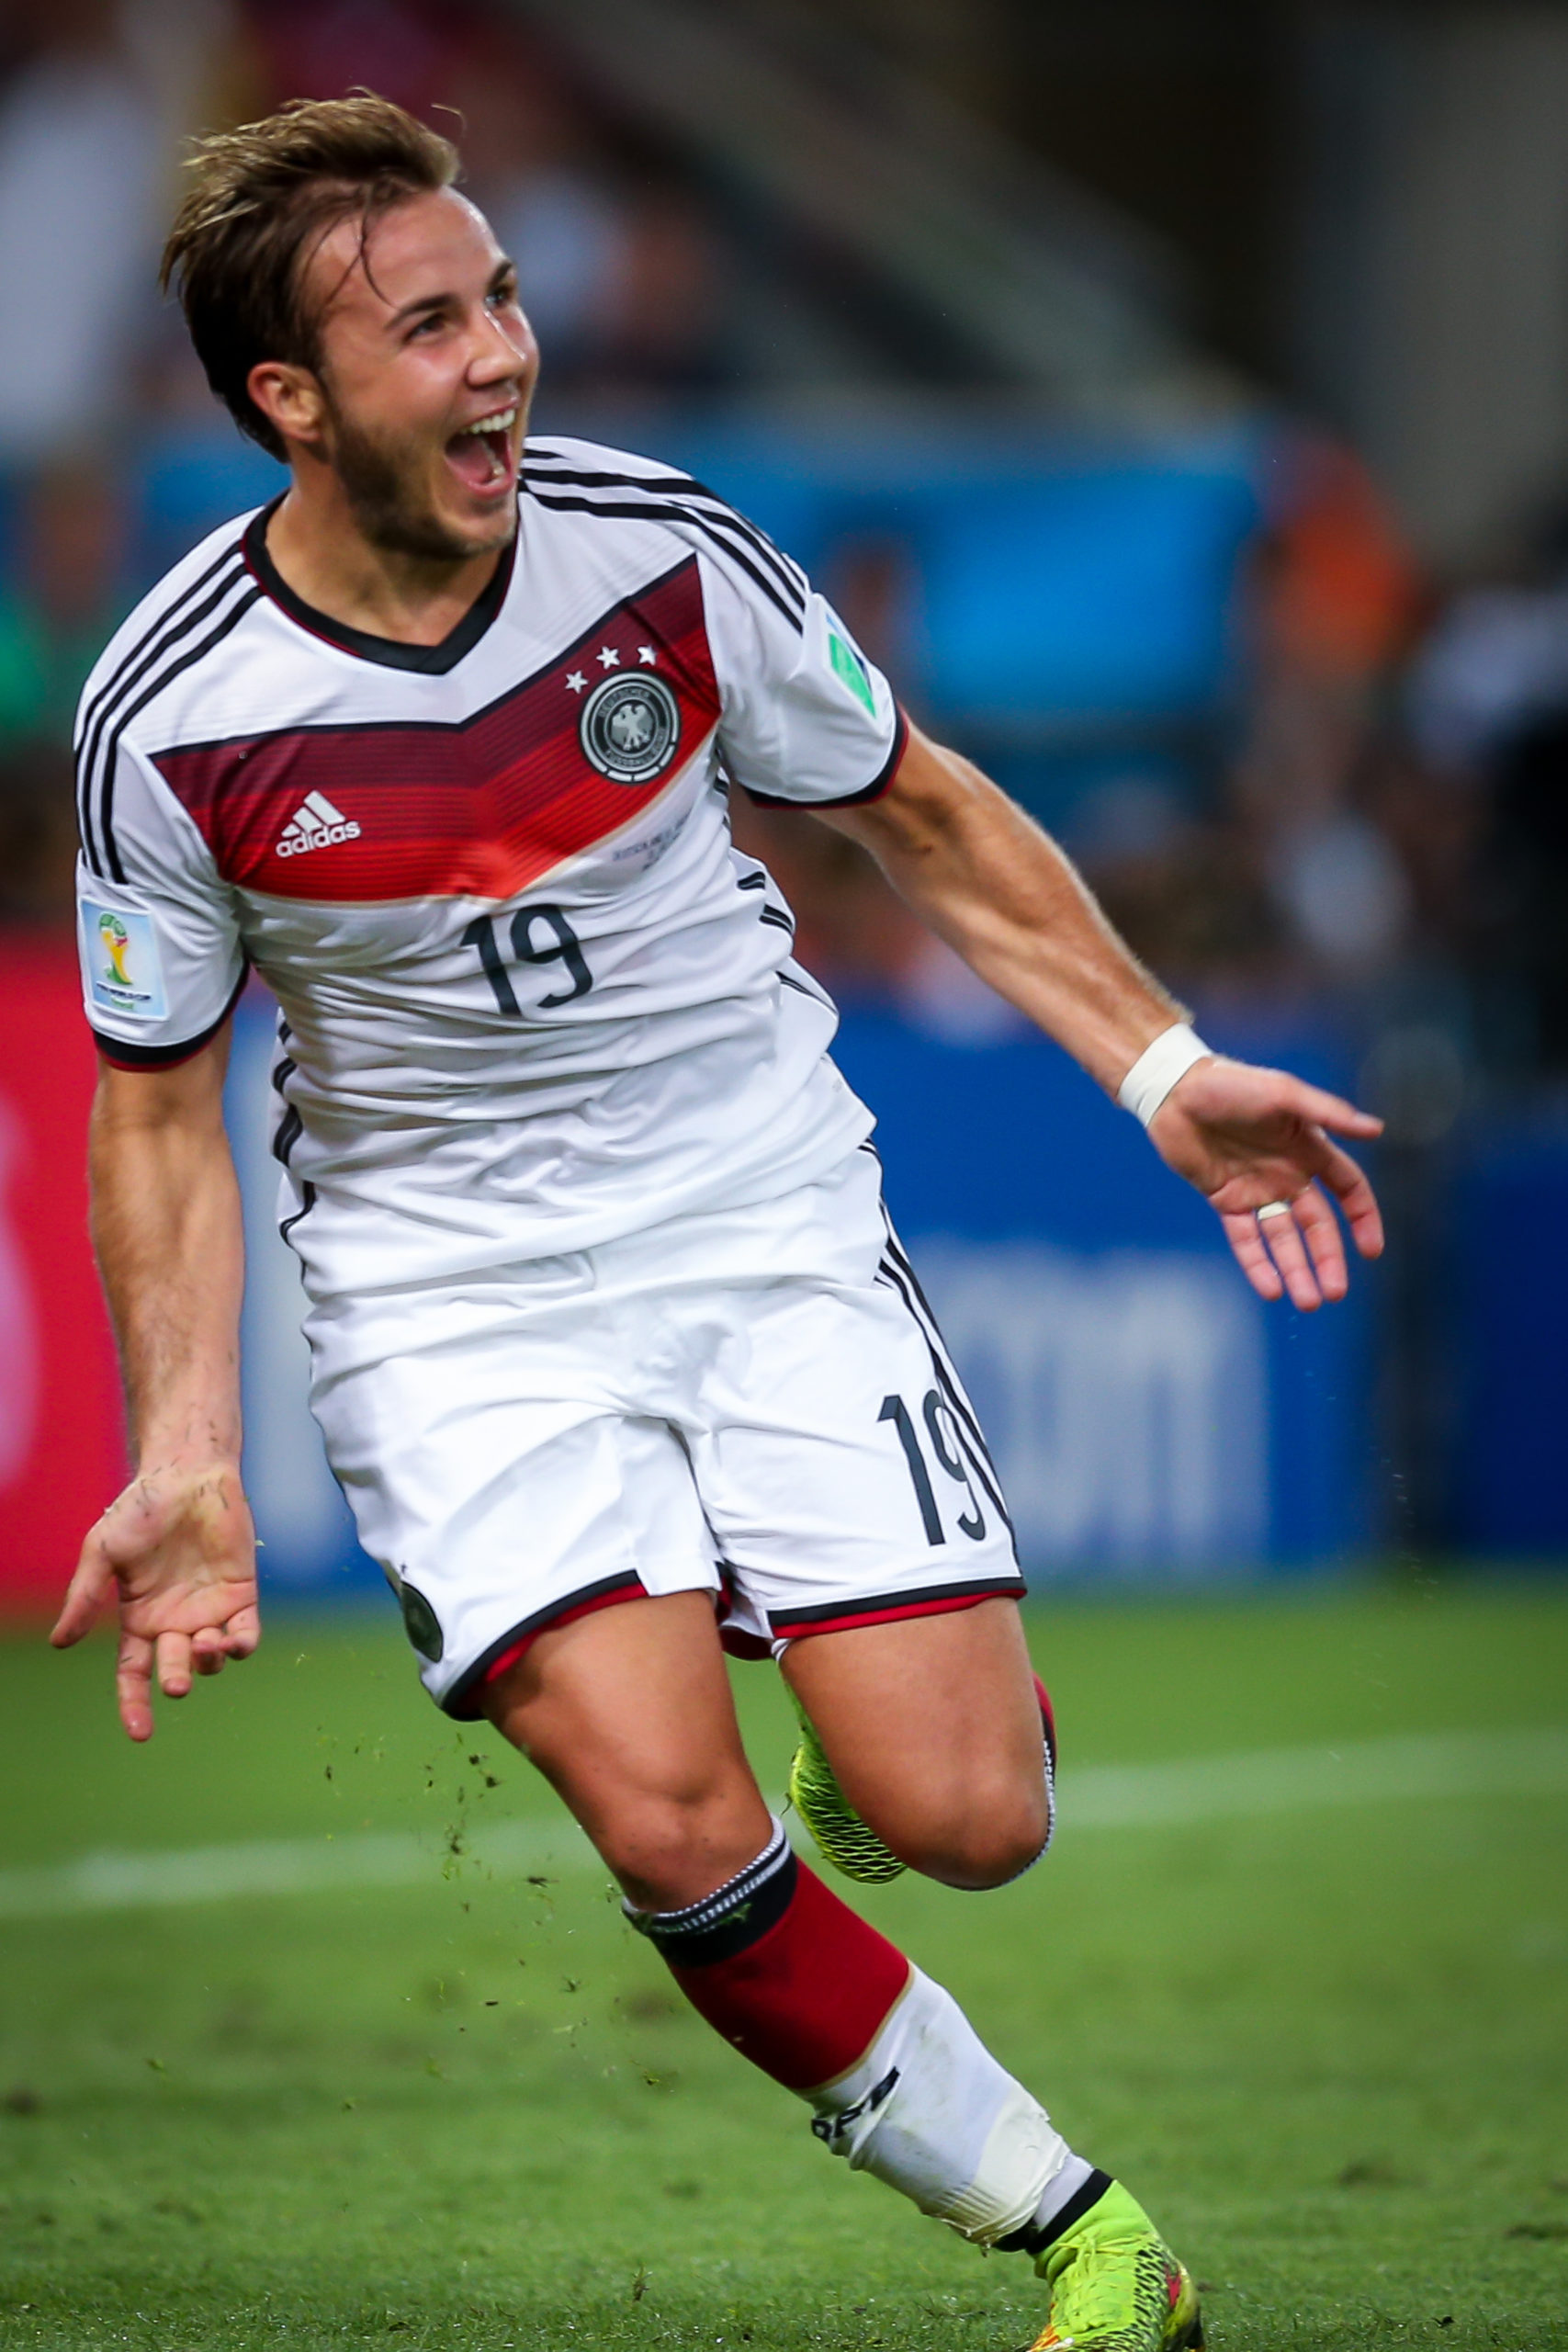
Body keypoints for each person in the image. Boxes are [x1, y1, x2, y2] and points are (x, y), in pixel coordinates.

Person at [52, 96, 1383, 2352]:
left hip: (747, 1207)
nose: (501, 360)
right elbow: (156, 1106)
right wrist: (183, 1444)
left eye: (501, 300)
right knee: (670, 1821)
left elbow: (924, 813)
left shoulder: (661, 557)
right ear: (286, 400)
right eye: (427, 329)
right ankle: (1084, 2229)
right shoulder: (171, 715)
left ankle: (851, 1721)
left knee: (964, 1814)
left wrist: (1161, 1068)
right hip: (443, 1292)